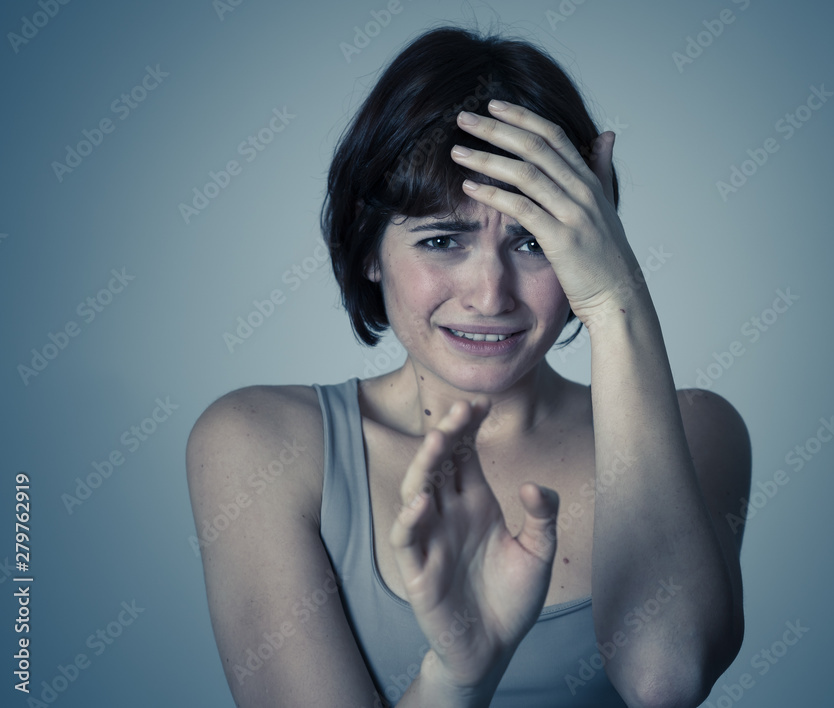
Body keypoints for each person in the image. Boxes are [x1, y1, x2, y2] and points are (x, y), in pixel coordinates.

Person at [186, 23, 752, 708]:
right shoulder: (260, 443)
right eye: (442, 240)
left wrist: (614, 302)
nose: (490, 295)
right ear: (369, 248)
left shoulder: (697, 430)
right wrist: (459, 676)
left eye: (533, 242)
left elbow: (666, 677)